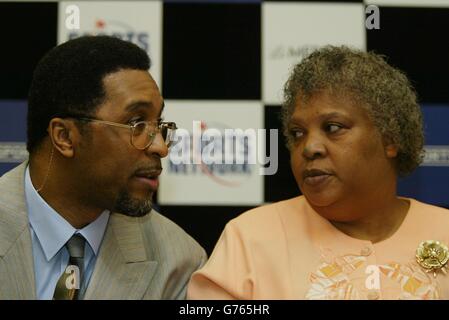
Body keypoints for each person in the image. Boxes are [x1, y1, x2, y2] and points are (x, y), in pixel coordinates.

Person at [187, 45, 449, 300]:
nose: (309, 147)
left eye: (333, 127)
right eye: (297, 133)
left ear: (390, 138)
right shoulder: (249, 239)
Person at [0, 35, 206, 299]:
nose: (161, 148)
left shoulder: (179, 262)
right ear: (64, 137)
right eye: (137, 124)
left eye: (159, 125)